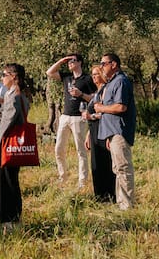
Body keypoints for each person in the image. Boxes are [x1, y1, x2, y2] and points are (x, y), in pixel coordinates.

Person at [0, 62, 34, 231]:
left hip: (8, 145)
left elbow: (6, 126)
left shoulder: (13, 96)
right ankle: (13, 217)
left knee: (5, 181)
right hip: (16, 145)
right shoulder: (21, 95)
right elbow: (14, 118)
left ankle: (9, 220)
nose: (2, 78)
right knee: (12, 180)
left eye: (4, 75)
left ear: (13, 77)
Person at [92, 52, 136, 210]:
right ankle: (121, 202)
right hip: (113, 133)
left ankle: (127, 205)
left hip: (120, 131)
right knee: (117, 168)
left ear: (114, 64)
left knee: (123, 168)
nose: (101, 66)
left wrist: (101, 107)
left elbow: (120, 107)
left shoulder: (121, 81)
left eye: (104, 63)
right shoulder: (111, 82)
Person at [46, 53, 96, 187]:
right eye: (68, 61)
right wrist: (62, 60)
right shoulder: (66, 77)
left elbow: (94, 98)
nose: (70, 63)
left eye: (72, 61)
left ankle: (82, 181)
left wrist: (81, 94)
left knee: (81, 150)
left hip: (79, 118)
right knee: (58, 149)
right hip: (65, 116)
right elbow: (49, 72)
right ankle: (63, 177)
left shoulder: (87, 79)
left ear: (80, 62)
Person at [82, 64, 116, 203]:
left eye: (96, 74)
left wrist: (92, 117)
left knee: (105, 163)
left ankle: (109, 195)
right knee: (96, 163)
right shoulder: (96, 92)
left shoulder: (106, 91)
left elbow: (105, 113)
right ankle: (99, 195)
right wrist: (88, 134)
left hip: (104, 129)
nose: (94, 77)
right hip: (94, 131)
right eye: (92, 74)